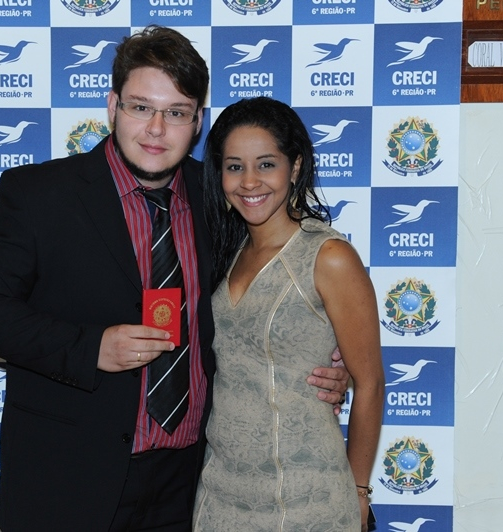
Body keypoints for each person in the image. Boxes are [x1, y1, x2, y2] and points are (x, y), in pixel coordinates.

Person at [0, 27, 350, 531]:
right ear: (113, 106)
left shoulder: (221, 197)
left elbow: (260, 294)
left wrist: (317, 360)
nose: (157, 129)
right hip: (69, 481)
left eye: (177, 112)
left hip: (192, 484)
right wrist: (89, 347)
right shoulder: (41, 194)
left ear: (197, 121)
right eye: (142, 107)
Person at [193, 97, 384, 531]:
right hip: (219, 496)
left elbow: (370, 383)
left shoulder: (328, 256)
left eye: (266, 164)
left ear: (295, 167)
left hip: (306, 497)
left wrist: (358, 491)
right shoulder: (224, 251)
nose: (249, 181)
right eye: (235, 166)